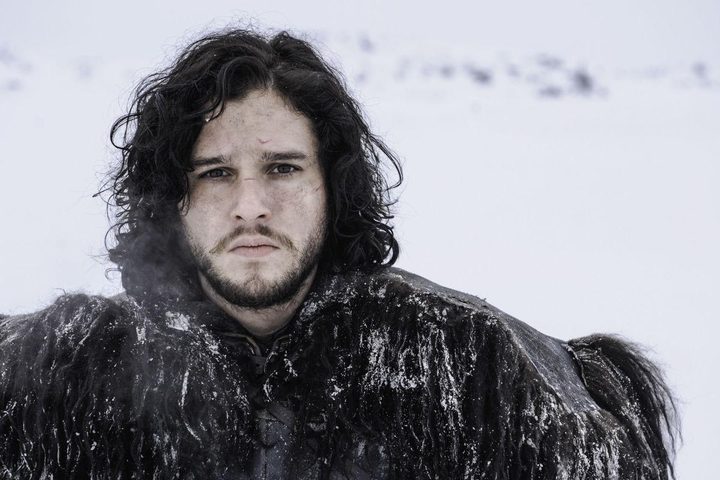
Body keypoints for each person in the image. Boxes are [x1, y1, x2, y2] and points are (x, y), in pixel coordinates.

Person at [0, 28, 678, 479]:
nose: (251, 206)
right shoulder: (66, 377)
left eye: (283, 168)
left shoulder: (471, 366)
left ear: (333, 186)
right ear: (173, 200)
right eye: (216, 174)